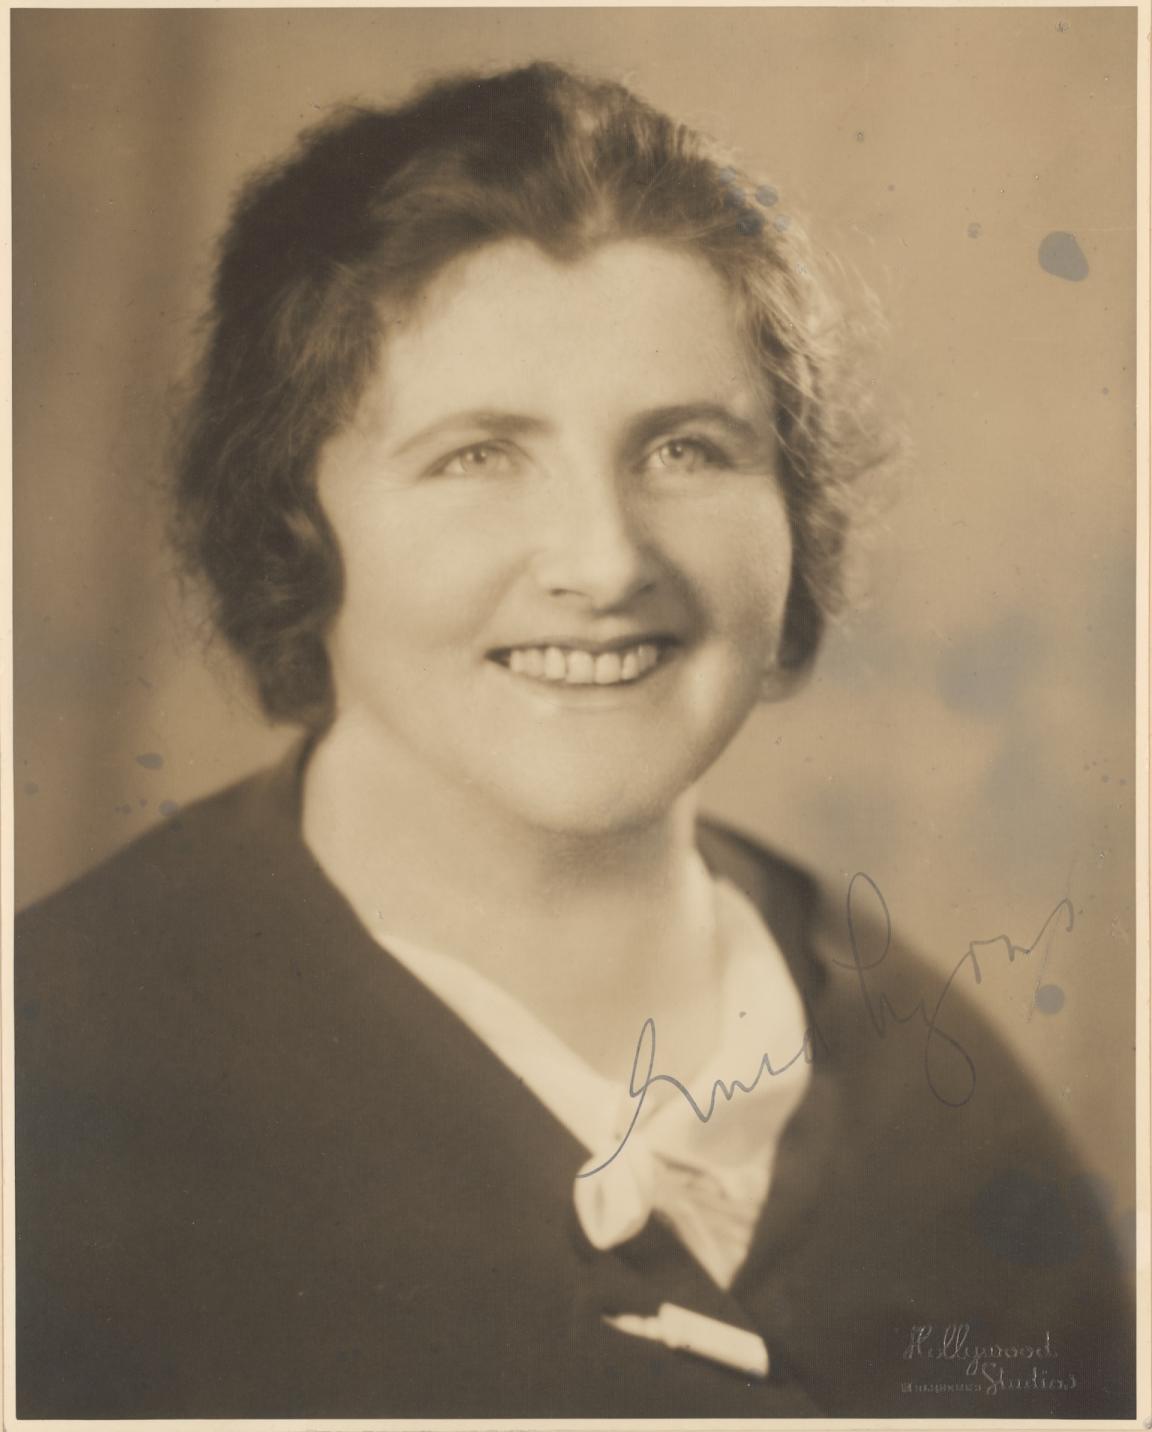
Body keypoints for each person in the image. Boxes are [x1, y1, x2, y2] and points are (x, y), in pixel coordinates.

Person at [15, 62, 1133, 1419]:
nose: (604, 562)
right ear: (293, 526)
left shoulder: (944, 1105)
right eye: (478, 455)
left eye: (687, 449)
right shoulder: (57, 1091)